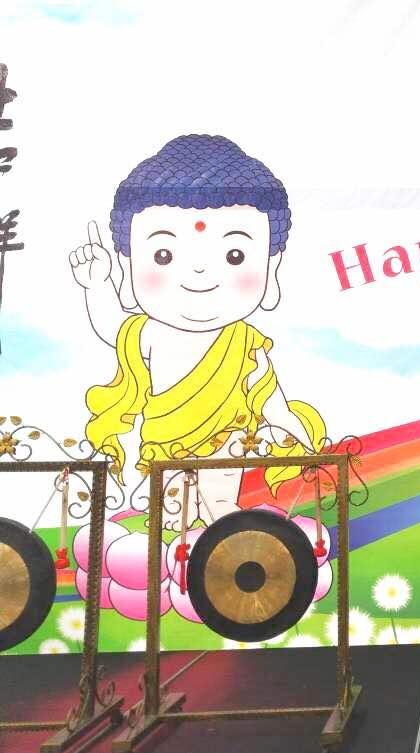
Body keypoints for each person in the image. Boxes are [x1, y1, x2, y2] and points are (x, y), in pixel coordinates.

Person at [69, 134, 326, 531]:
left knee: (222, 507)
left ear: (272, 267)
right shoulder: (149, 334)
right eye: (164, 255)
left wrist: (294, 432)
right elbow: (112, 329)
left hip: (227, 440)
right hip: (163, 445)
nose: (200, 273)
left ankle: (230, 572)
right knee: (172, 515)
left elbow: (268, 397)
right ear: (127, 262)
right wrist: (97, 285)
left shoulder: (243, 343)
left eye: (234, 255)